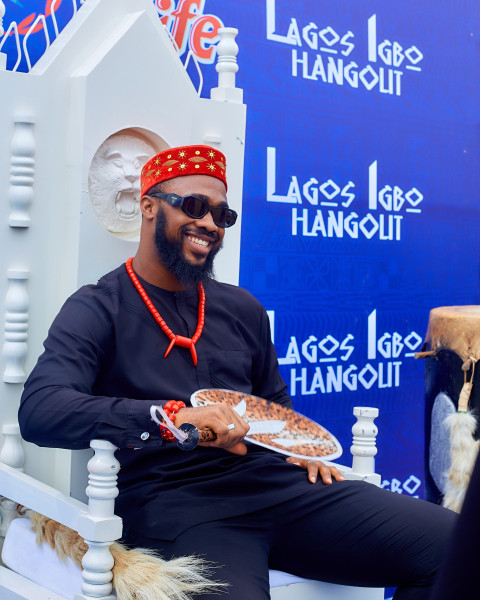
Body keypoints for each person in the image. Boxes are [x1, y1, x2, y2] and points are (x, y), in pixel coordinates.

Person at [19, 144, 456, 600]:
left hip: (274, 485)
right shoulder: (97, 305)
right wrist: (171, 419)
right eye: (193, 206)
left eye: (221, 215)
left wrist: (298, 446)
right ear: (148, 207)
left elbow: (275, 402)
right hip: (177, 506)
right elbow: (41, 410)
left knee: (457, 548)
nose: (209, 223)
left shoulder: (240, 307)